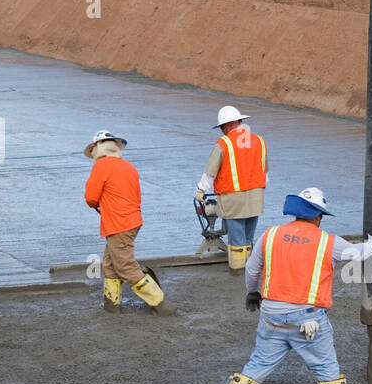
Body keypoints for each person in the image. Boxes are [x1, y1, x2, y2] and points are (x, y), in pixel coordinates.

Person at [217, 188, 372, 384]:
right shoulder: (327, 241)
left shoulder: (270, 235)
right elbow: (356, 253)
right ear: (318, 216)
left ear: (296, 213)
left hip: (271, 315)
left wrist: (252, 293)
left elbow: (252, 270)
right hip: (308, 320)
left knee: (257, 364)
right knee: (326, 366)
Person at [83, 129, 173, 315]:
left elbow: (91, 197)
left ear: (98, 148)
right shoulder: (128, 167)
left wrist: (100, 204)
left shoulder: (102, 166)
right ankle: (111, 305)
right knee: (109, 263)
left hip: (118, 223)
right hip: (132, 220)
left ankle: (162, 305)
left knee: (125, 266)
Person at [195, 105, 267, 272]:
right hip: (256, 197)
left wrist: (201, 190)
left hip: (233, 198)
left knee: (236, 239)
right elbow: (265, 172)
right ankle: (250, 269)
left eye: (221, 127)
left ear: (227, 125)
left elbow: (210, 171)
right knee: (248, 237)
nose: (222, 131)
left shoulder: (224, 143)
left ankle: (237, 271)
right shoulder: (259, 141)